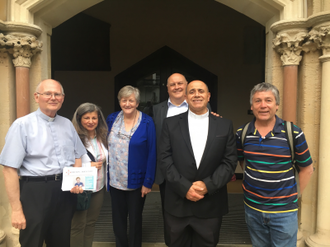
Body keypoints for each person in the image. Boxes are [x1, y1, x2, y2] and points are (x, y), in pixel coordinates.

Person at [0, 79, 86, 247]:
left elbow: (78, 155)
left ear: (63, 98)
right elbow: (9, 169)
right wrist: (16, 210)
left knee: (61, 242)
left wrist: (77, 180)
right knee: (32, 241)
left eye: (57, 94)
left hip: (65, 191)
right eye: (48, 93)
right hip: (35, 193)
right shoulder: (22, 125)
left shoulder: (67, 124)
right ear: (36, 97)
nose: (53, 98)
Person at [158, 80, 237, 247]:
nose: (197, 94)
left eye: (201, 91)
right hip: (177, 204)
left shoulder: (225, 125)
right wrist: (184, 187)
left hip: (210, 204)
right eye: (192, 91)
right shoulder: (170, 124)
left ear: (208, 96)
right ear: (186, 97)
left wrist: (208, 185)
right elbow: (164, 159)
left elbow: (229, 161)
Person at [236, 82, 314, 247]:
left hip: (284, 213)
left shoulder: (293, 133)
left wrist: (294, 196)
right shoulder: (242, 133)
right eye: (258, 101)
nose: (263, 105)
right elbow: (244, 163)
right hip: (253, 209)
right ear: (252, 106)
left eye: (268, 100)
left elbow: (307, 169)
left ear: (277, 105)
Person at [106, 85, 156, 247]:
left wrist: (148, 182)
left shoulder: (147, 122)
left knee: (135, 219)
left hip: (137, 181)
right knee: (118, 219)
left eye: (131, 100)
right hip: (115, 179)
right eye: (124, 100)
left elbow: (152, 152)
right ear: (119, 101)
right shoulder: (112, 119)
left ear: (137, 103)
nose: (127, 104)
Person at [152, 73, 189, 245]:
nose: (176, 87)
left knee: (193, 209)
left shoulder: (202, 106)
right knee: (169, 212)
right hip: (166, 170)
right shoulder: (157, 110)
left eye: (180, 83)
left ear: (186, 85)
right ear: (167, 88)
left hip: (192, 169)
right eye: (172, 84)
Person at [71, 102, 109, 247]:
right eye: (87, 118)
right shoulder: (74, 138)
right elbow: (65, 163)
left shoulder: (103, 136)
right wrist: (88, 166)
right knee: (78, 225)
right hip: (81, 188)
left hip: (98, 187)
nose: (91, 121)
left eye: (94, 118)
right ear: (80, 119)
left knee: (91, 223)